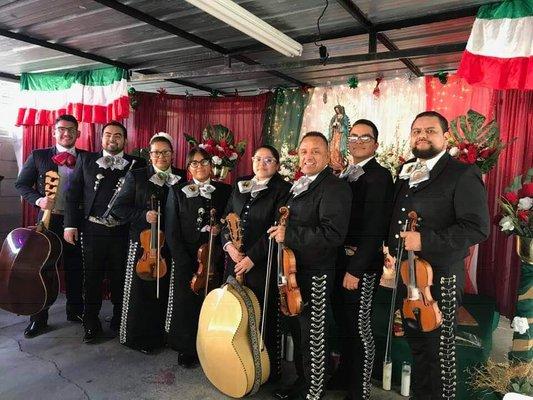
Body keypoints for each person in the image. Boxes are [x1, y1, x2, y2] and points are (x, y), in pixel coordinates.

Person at [386, 111, 489, 400]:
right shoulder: (406, 170)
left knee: (438, 351)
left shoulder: (462, 173)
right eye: (416, 130)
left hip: (441, 277)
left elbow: (477, 228)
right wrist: (390, 249)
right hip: (408, 274)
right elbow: (399, 216)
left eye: (430, 130)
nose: (422, 135)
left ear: (445, 137)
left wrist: (426, 240)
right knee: (418, 346)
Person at [269, 132, 352, 400]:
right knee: (298, 330)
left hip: (314, 273)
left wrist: (289, 235)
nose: (308, 156)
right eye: (303, 151)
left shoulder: (334, 187)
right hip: (292, 271)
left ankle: (313, 391)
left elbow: (333, 234)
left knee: (312, 334)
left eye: (315, 151)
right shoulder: (302, 184)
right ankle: (304, 382)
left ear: (328, 155)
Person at [330, 119, 394, 400]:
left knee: (360, 327)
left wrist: (355, 269)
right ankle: (344, 374)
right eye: (353, 136)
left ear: (375, 144)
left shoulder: (379, 176)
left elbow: (375, 228)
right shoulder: (347, 173)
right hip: (340, 261)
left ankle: (360, 390)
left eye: (364, 137)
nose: (357, 141)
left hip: (361, 265)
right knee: (344, 325)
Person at [64, 121, 145, 343]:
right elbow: (72, 195)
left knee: (121, 277)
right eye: (108, 134)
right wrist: (70, 225)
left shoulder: (137, 164)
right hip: (92, 230)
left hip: (123, 231)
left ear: (125, 140)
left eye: (118, 135)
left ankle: (120, 319)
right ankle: (90, 322)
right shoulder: (86, 160)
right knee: (92, 277)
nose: (112, 139)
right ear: (101, 139)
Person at [222, 145, 291, 381]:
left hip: (263, 265)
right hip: (234, 260)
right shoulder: (241, 183)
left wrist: (251, 258)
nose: (262, 163)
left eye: (269, 160)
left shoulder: (283, 189)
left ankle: (265, 371)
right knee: (234, 314)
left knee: (262, 316)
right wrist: (229, 247)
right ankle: (234, 364)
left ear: (278, 165)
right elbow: (226, 218)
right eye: (258, 158)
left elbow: (275, 229)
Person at [112, 132, 185, 354]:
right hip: (145, 244)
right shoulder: (137, 176)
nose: (160, 156)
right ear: (149, 154)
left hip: (171, 244)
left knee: (166, 291)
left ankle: (164, 334)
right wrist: (144, 215)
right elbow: (119, 208)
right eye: (156, 152)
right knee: (141, 291)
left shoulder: (182, 177)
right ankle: (138, 337)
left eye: (165, 152)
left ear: (172, 154)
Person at [15, 114, 85, 338]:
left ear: (78, 134)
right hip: (47, 221)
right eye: (62, 129)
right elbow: (21, 184)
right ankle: (38, 318)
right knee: (42, 269)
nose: (67, 133)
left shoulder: (88, 158)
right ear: (54, 132)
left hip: (76, 221)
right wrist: (38, 200)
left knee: (76, 267)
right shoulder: (39, 156)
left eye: (71, 130)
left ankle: (75, 311)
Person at [164, 147, 231, 368]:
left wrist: (219, 228)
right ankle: (187, 348)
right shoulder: (177, 191)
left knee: (213, 303)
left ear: (211, 166)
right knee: (186, 304)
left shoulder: (224, 190)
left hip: (215, 257)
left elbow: (230, 218)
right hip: (186, 257)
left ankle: (211, 347)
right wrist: (182, 261)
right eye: (194, 163)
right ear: (188, 168)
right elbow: (171, 229)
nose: (199, 167)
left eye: (204, 162)